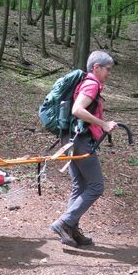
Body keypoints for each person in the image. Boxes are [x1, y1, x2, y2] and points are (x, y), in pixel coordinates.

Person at [50, 50, 117, 247]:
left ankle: (71, 229)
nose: (109, 74)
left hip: (71, 138)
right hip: (80, 140)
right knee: (96, 186)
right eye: (107, 69)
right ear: (96, 68)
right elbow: (77, 110)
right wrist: (103, 124)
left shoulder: (87, 83)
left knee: (80, 184)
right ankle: (64, 223)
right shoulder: (91, 84)